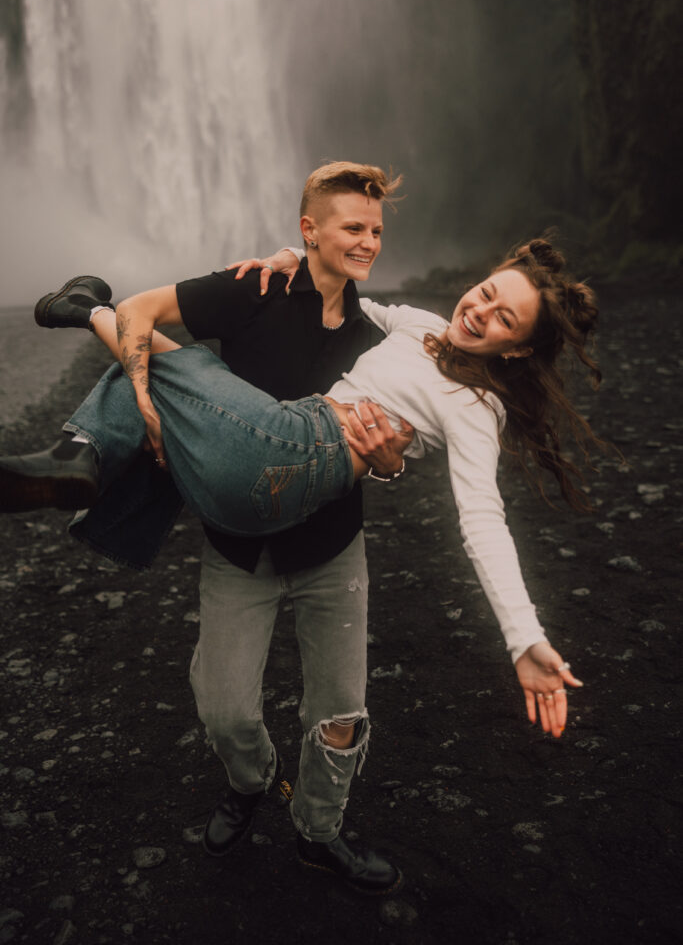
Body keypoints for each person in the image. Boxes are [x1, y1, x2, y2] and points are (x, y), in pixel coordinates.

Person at [2, 162, 416, 896]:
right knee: (223, 711)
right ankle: (252, 781)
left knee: (340, 711)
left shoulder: (375, 333)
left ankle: (319, 832)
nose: (367, 243)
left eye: (376, 231)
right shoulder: (251, 289)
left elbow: (399, 435)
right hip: (239, 544)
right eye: (353, 227)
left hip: (330, 545)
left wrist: (389, 467)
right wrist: (142, 394)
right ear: (307, 230)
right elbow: (143, 316)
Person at [3, 229, 594, 739]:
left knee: (188, 366)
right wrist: (292, 257)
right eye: (488, 292)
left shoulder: (478, 404)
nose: (481, 312)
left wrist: (524, 639)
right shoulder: (421, 325)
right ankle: (77, 446)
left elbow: (483, 518)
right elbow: (342, 296)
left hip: (305, 450)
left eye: (503, 320)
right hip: (270, 478)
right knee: (163, 366)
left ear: (516, 349)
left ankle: (86, 335)